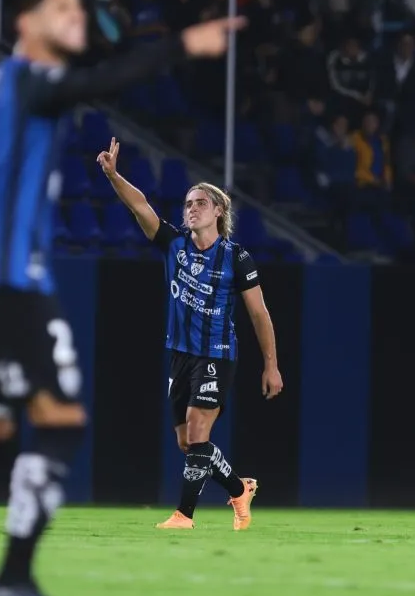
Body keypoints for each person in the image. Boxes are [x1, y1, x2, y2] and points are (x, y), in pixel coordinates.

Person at [0, 0, 245, 596]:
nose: (73, 15)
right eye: (60, 7)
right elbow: (97, 84)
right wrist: (181, 44)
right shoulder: (27, 78)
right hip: (7, 282)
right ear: (26, 21)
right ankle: (15, 575)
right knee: (60, 421)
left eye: (78, 7)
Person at [97, 137, 283, 531]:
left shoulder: (237, 257)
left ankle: (183, 515)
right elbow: (139, 205)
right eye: (187, 203)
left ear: (219, 210)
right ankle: (239, 488)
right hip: (180, 355)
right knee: (188, 444)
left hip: (217, 354)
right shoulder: (174, 245)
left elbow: (259, 313)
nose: (191, 208)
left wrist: (271, 366)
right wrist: (114, 175)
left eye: (200, 202)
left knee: (199, 431)